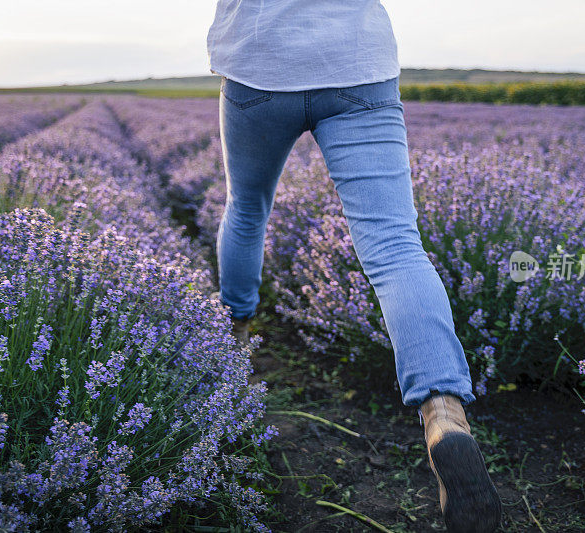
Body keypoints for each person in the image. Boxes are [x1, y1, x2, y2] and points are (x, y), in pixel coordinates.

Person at [207, 2, 502, 531]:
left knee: (247, 208)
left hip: (258, 68)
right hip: (356, 66)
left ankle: (236, 337)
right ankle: (444, 413)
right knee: (394, 247)